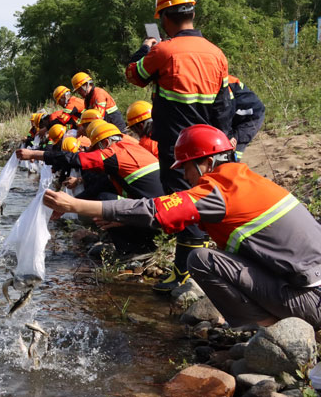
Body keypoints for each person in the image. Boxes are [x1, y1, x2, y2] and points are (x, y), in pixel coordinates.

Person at [43, 124, 321, 329]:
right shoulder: (247, 181)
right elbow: (178, 220)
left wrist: (75, 205)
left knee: (201, 259)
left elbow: (153, 210)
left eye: (186, 168)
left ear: (207, 163)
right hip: (308, 286)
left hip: (311, 300)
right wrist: (122, 218)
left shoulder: (218, 192)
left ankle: (266, 328)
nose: (185, 176)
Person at [125, 0, 234, 292]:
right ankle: (205, 266)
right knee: (206, 198)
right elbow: (224, 105)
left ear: (164, 19)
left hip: (178, 144)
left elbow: (133, 75)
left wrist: (146, 47)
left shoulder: (163, 51)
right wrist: (224, 143)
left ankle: (185, 273)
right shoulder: (216, 53)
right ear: (192, 13)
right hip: (209, 144)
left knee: (183, 204)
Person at [17, 120, 163, 255]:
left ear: (105, 142)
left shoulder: (114, 154)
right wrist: (68, 206)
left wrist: (34, 154)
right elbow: (100, 186)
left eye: (96, 148)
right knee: (104, 196)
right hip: (160, 211)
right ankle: (135, 242)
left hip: (153, 217)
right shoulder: (131, 148)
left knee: (105, 201)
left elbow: (74, 159)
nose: (96, 152)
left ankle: (134, 251)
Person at [228, 75, 265, 160]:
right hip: (237, 116)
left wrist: (228, 135)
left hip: (250, 117)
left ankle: (233, 164)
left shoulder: (223, 83)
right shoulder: (223, 79)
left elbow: (225, 113)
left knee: (232, 149)